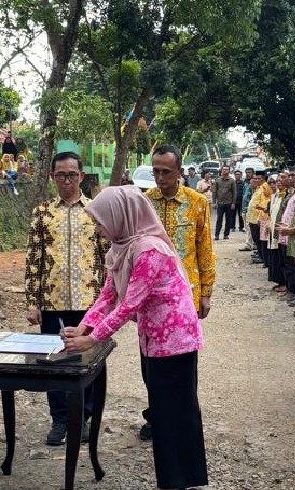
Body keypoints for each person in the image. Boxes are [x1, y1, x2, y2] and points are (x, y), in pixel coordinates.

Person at [62, 185, 208, 490]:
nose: (99, 229)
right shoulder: (121, 247)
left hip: (175, 343)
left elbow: (131, 302)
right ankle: (176, 479)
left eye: (101, 221)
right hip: (154, 338)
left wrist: (93, 339)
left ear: (120, 216)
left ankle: (179, 480)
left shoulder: (149, 249)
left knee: (173, 411)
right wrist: (84, 327)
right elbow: (108, 295)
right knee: (163, 410)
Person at [24, 149, 107, 445]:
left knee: (89, 362)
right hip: (53, 302)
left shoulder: (96, 210)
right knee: (54, 362)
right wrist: (32, 302)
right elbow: (34, 259)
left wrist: (109, 302)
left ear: (81, 176)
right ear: (52, 177)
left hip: (90, 304)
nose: (67, 180)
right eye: (61, 175)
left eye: (73, 175)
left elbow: (106, 256)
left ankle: (83, 417)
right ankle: (60, 419)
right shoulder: (42, 213)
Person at [143, 144, 216, 440]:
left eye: (166, 172)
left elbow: (204, 247)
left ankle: (184, 417)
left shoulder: (197, 202)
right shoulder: (144, 202)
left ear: (180, 172)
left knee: (184, 364)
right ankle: (156, 415)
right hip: (152, 299)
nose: (160, 178)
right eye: (156, 171)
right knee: (151, 364)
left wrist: (206, 292)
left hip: (186, 296)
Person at [212, 165, 237, 240]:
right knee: (219, 219)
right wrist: (214, 202)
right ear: (221, 171)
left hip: (229, 203)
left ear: (229, 171)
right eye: (224, 169)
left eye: (226, 169)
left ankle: (226, 234)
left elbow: (234, 192)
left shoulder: (232, 180)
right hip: (220, 203)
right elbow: (214, 191)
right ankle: (217, 235)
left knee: (228, 219)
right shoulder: (217, 180)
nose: (225, 171)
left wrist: (233, 203)